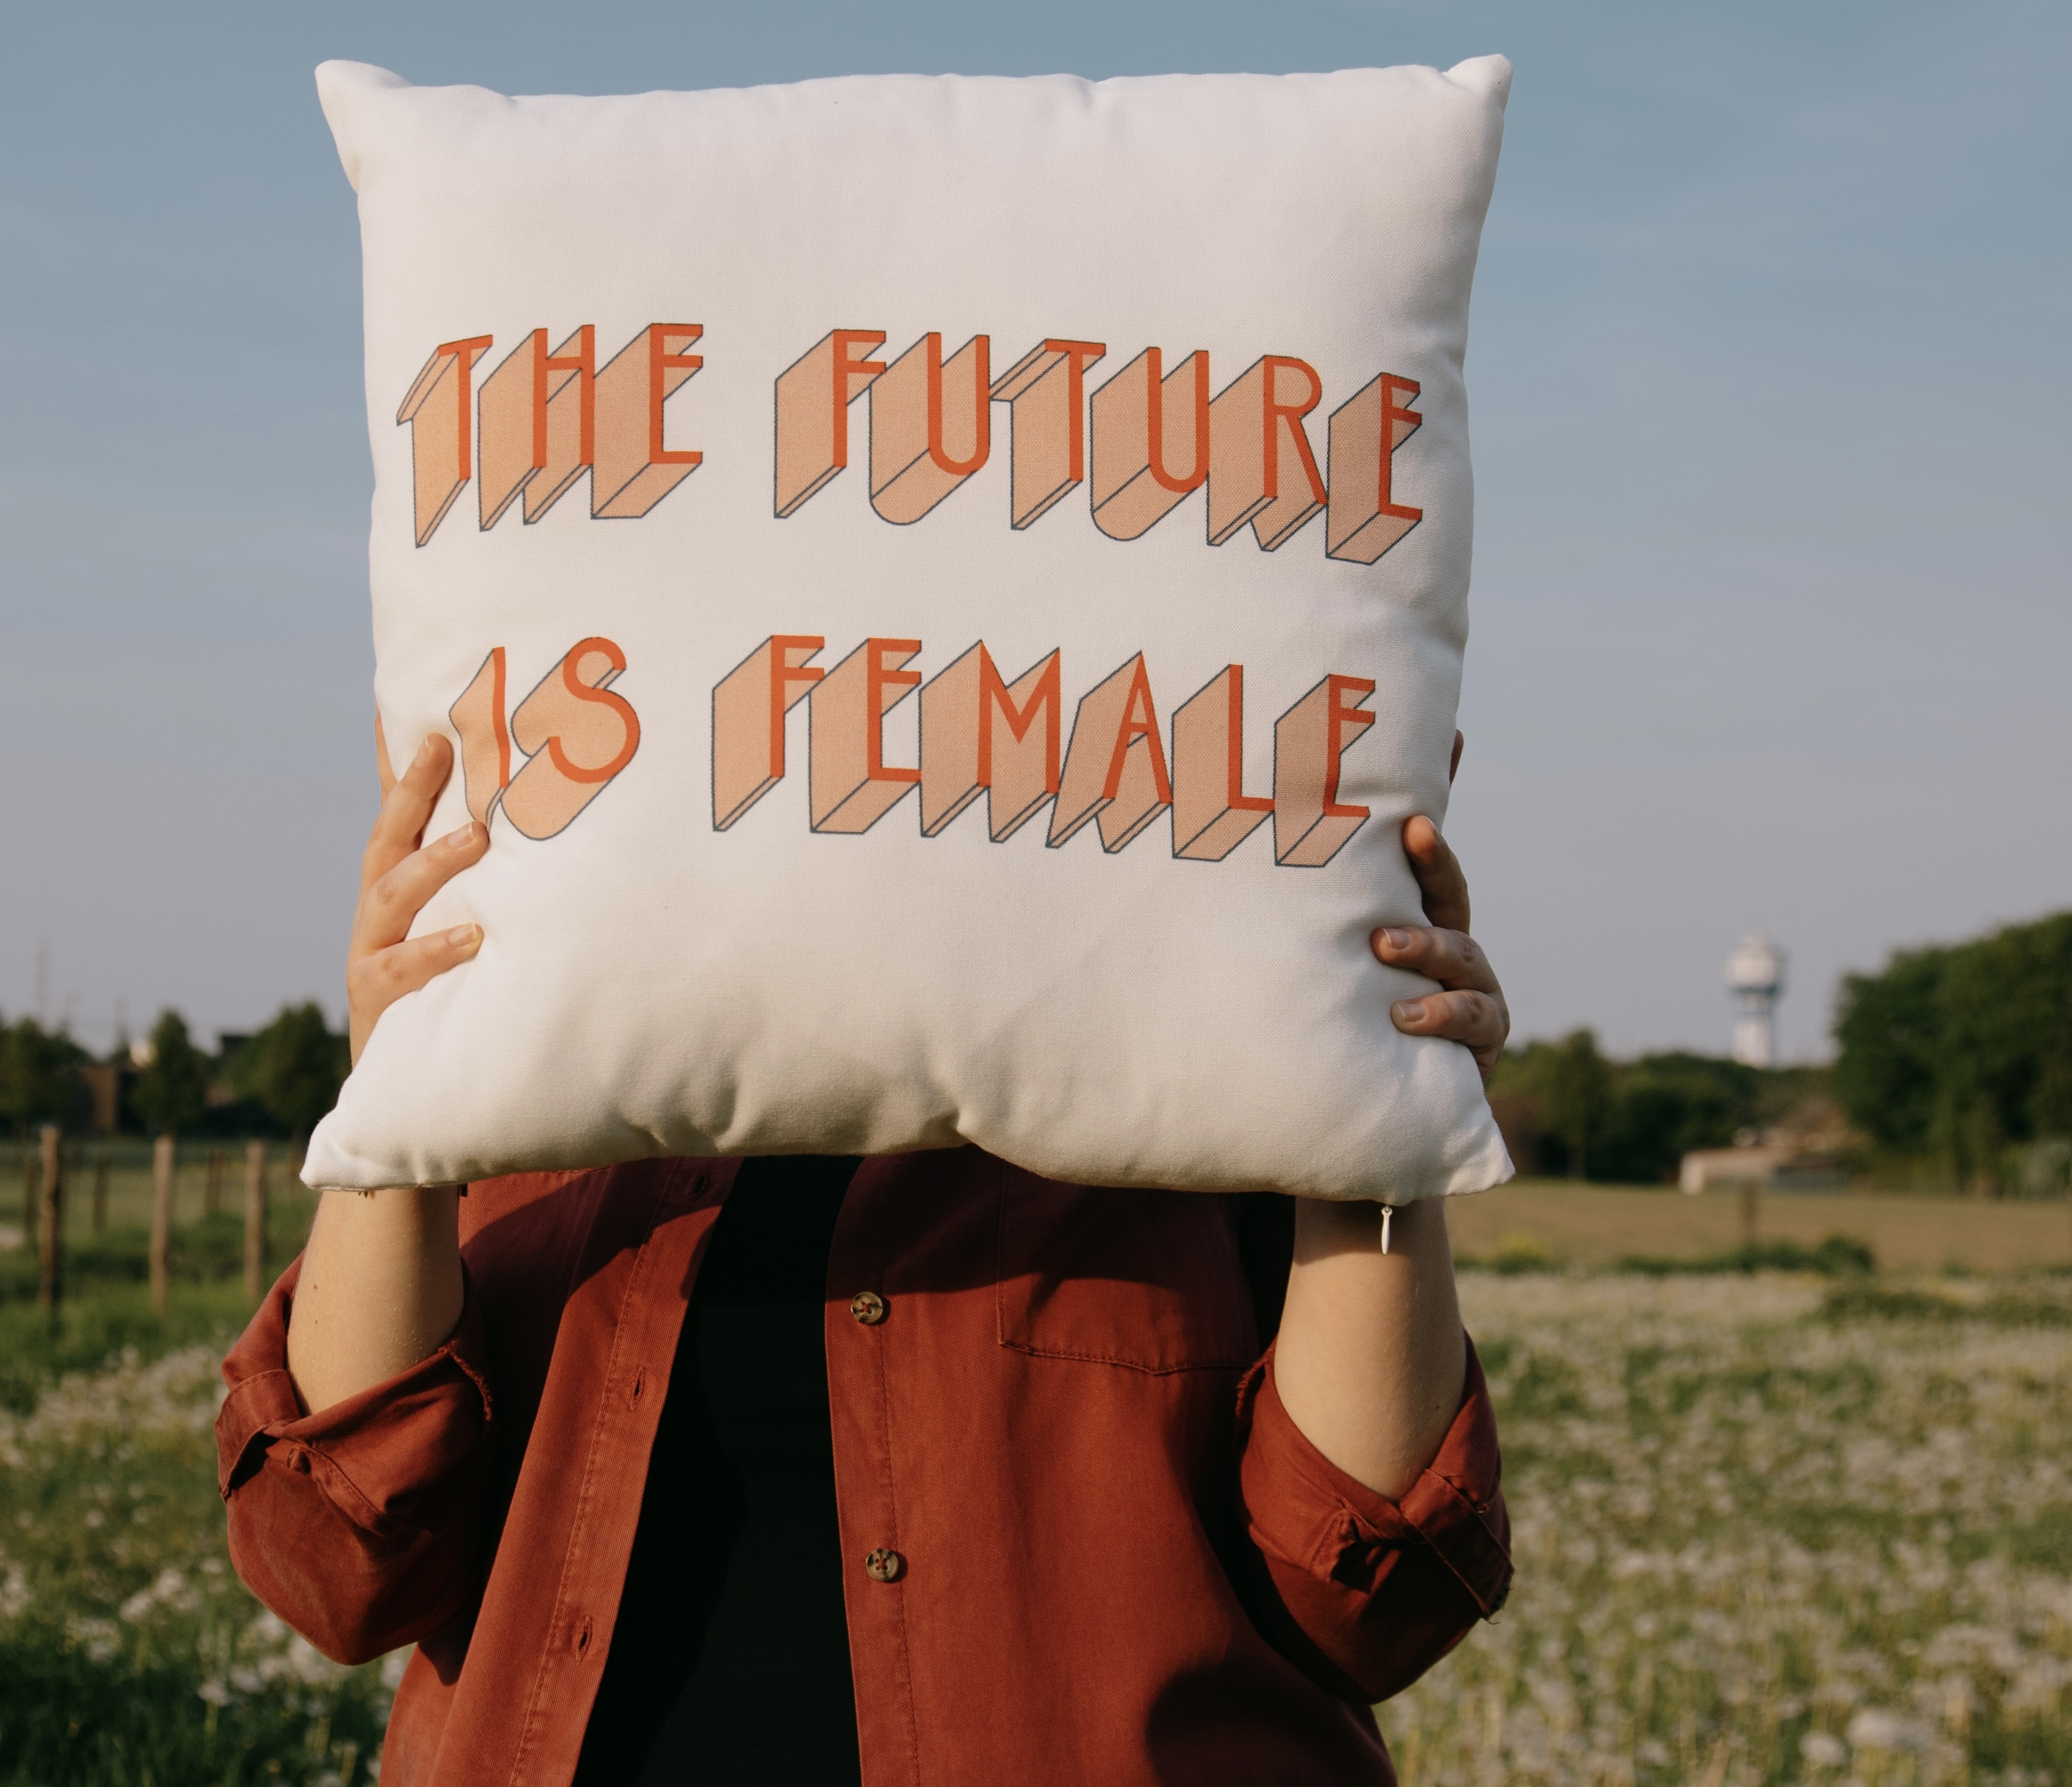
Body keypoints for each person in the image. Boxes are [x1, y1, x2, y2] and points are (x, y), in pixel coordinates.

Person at [219, 728, 1512, 1787]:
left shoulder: (1198, 1066)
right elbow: (338, 1569)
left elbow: (1372, 1599)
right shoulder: (556, 1078)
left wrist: (1384, 1102)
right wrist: (399, 1089)